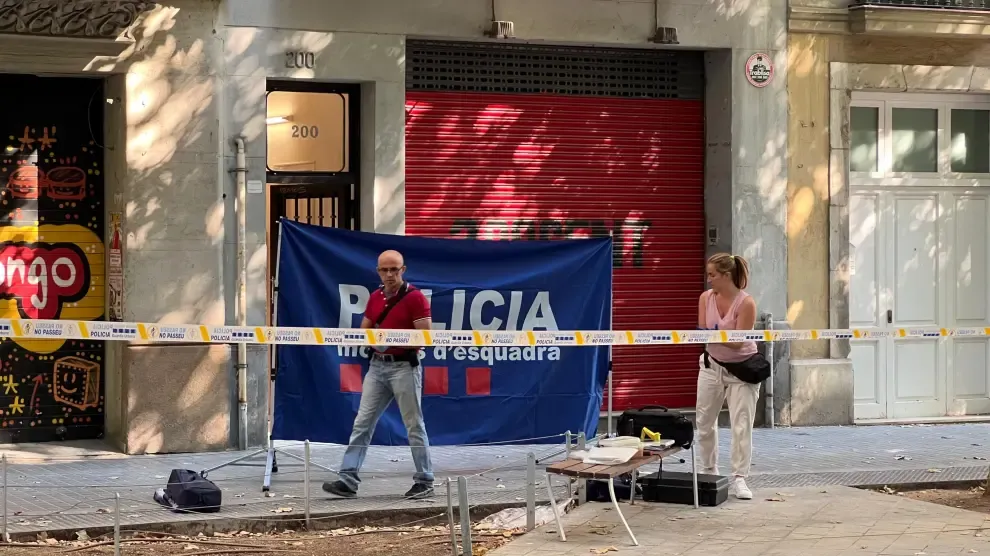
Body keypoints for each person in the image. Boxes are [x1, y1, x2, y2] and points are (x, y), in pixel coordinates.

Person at [323, 249, 435, 499]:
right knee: (362, 422)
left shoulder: (416, 298)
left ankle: (425, 480)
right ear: (378, 272)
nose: (390, 274)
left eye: (394, 269)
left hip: (404, 366)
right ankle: (347, 479)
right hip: (377, 366)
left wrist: (393, 340)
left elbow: (425, 337)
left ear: (403, 270)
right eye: (385, 269)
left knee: (414, 425)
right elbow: (364, 331)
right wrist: (375, 340)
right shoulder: (375, 297)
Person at [695, 253, 760, 500]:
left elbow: (738, 342)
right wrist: (717, 336)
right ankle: (709, 470)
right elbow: (702, 332)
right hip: (711, 366)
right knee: (704, 422)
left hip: (741, 369)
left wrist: (715, 335)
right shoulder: (705, 298)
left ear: (726, 275)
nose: (708, 279)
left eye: (712, 274)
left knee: (741, 424)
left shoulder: (746, 303)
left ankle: (740, 478)